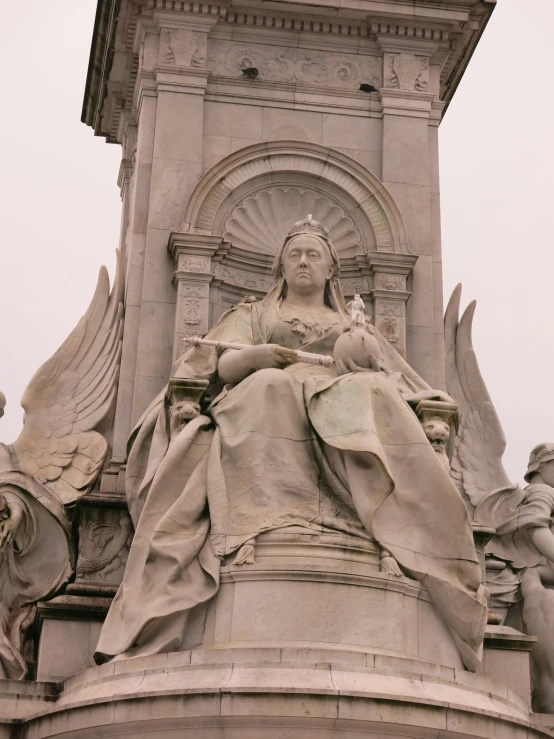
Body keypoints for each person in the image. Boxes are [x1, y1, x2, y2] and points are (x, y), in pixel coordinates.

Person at [95, 216, 486, 670]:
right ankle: (265, 524)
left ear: (330, 270)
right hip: (264, 393)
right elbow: (213, 367)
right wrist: (253, 359)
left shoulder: (351, 322)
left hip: (340, 394)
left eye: (313, 255)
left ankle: (376, 525)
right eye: (295, 254)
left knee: (374, 395)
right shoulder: (254, 316)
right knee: (270, 388)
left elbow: (393, 377)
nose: (303, 261)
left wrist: (360, 357)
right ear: (281, 265)